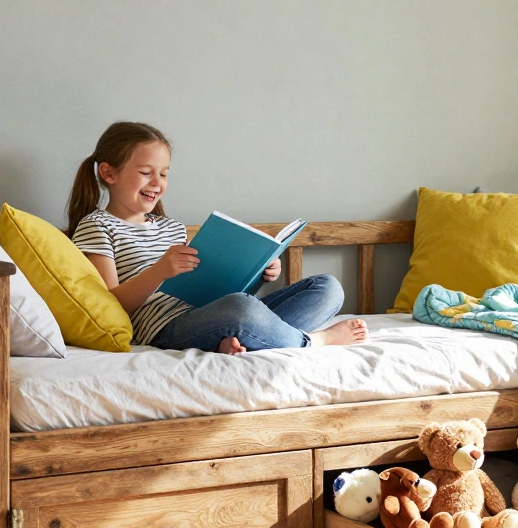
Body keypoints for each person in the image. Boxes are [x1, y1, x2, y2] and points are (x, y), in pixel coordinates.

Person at [65, 121, 368, 354]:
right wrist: (160, 271)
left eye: (164, 174)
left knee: (327, 287)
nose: (157, 183)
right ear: (108, 173)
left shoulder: (171, 227)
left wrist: (260, 272)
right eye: (146, 172)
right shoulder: (97, 225)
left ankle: (235, 339)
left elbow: (208, 287)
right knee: (240, 309)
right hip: (163, 329)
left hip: (211, 313)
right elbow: (109, 304)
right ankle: (315, 342)